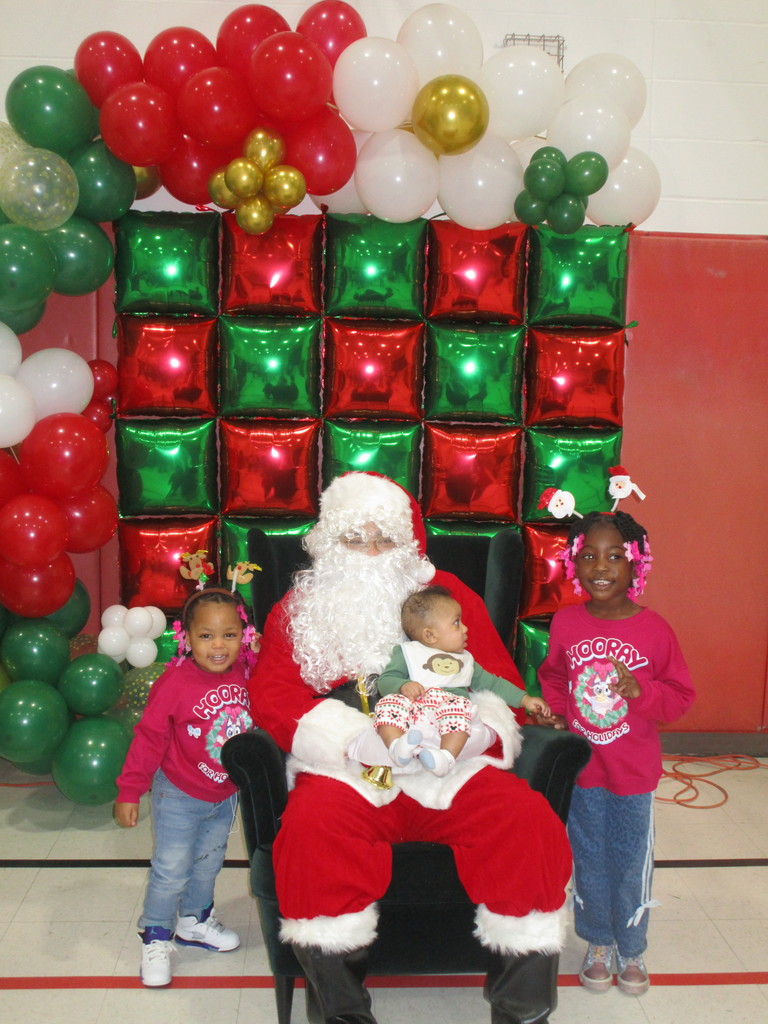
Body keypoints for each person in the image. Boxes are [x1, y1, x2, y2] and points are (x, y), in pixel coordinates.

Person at [248, 471, 572, 1024]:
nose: (372, 552)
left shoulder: (447, 595)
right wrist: (352, 741)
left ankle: (522, 1012)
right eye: (356, 538)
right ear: (330, 541)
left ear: (409, 543)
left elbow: (497, 683)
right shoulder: (300, 607)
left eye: (385, 538)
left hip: (448, 762)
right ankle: (344, 1015)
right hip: (348, 767)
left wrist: (473, 734)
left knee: (527, 823)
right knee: (310, 837)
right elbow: (274, 697)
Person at [536, 511, 695, 996]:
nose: (600, 566)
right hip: (584, 770)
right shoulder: (566, 622)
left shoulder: (655, 630)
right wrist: (557, 713)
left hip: (633, 774)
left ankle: (632, 945)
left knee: (629, 862)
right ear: (574, 563)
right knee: (588, 858)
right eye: (588, 555)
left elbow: (680, 697)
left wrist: (641, 691)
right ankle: (599, 942)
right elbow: (554, 675)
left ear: (636, 564)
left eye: (614, 556)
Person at [114, 587, 257, 988]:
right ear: (187, 638)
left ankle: (193, 921)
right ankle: (155, 935)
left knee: (208, 863)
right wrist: (130, 790)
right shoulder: (174, 682)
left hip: (223, 795)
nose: (218, 645)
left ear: (244, 636)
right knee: (171, 869)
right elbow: (148, 738)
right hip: (178, 793)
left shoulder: (247, 674)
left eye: (229, 635)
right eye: (206, 635)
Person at [375, 585, 551, 777]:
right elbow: (385, 680)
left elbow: (493, 684)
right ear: (430, 635)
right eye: (456, 623)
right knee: (388, 703)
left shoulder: (466, 661)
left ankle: (445, 757)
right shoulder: (408, 653)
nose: (465, 628)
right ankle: (397, 747)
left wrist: (524, 699)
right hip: (415, 717)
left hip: (449, 720)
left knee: (460, 707)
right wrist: (402, 686)